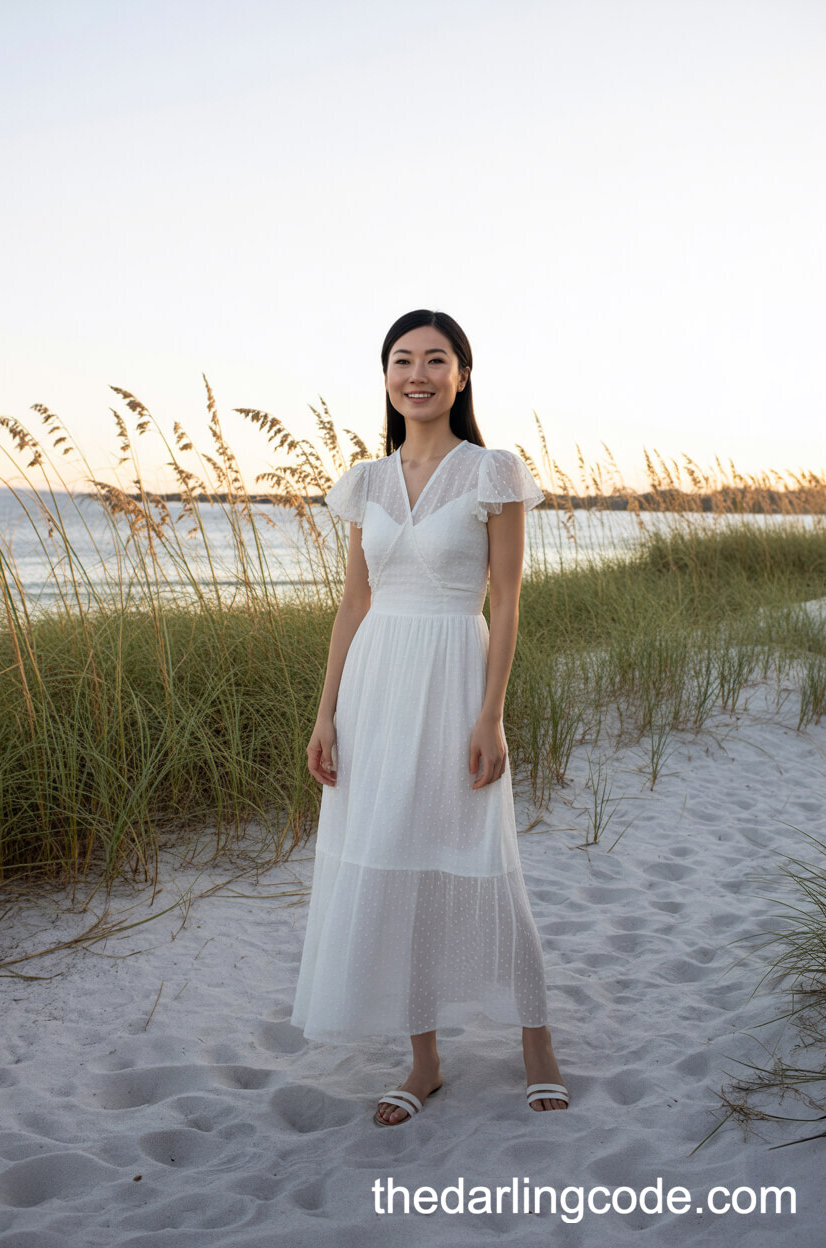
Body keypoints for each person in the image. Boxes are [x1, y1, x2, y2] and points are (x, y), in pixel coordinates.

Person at [290, 309, 568, 1125]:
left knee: (485, 855)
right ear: (385, 378)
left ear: (462, 374)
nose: (418, 374)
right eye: (402, 360)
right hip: (374, 689)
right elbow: (352, 604)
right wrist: (324, 715)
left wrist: (493, 715)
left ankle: (537, 1041)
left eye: (435, 359)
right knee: (397, 862)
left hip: (454, 677)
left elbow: (509, 599)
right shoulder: (366, 482)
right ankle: (423, 1064)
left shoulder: (493, 472)